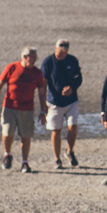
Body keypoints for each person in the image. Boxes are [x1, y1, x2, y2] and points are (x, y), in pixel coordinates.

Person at [0, 47, 47, 173]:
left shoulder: (37, 73)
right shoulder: (12, 68)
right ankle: (7, 154)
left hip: (27, 109)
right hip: (10, 107)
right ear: (24, 57)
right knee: (7, 132)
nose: (34, 61)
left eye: (35, 58)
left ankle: (25, 162)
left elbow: (41, 92)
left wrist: (43, 110)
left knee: (25, 136)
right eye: (32, 58)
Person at [41, 39, 82, 169]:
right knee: (56, 130)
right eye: (60, 52)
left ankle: (69, 151)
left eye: (65, 52)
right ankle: (57, 158)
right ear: (55, 48)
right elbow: (43, 83)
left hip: (71, 101)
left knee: (73, 126)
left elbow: (79, 78)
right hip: (54, 102)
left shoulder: (72, 60)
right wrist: (43, 107)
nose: (62, 54)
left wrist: (72, 88)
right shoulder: (48, 62)